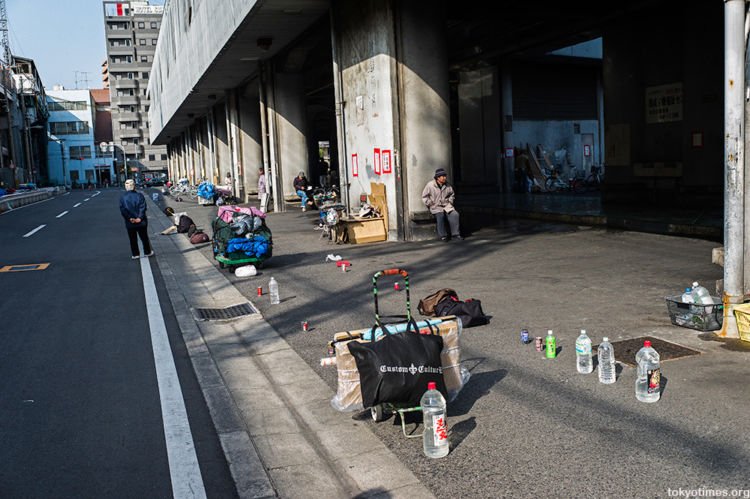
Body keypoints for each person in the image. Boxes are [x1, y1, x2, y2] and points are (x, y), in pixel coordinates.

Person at [421, 168, 463, 241]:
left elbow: (452, 194)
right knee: (440, 215)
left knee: (455, 214)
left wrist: (450, 201)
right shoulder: (430, 185)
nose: (444, 178)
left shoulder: (448, 185)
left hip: (446, 205)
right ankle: (443, 236)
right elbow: (424, 196)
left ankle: (455, 234)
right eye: (443, 176)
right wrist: (430, 203)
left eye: (445, 176)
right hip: (435, 206)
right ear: (438, 177)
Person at [119, 179, 154, 259]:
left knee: (132, 238)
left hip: (130, 222)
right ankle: (147, 252)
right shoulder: (139, 195)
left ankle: (135, 254)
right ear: (134, 186)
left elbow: (123, 210)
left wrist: (130, 218)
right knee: (144, 237)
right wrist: (139, 218)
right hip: (141, 222)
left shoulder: (122, 197)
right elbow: (143, 207)